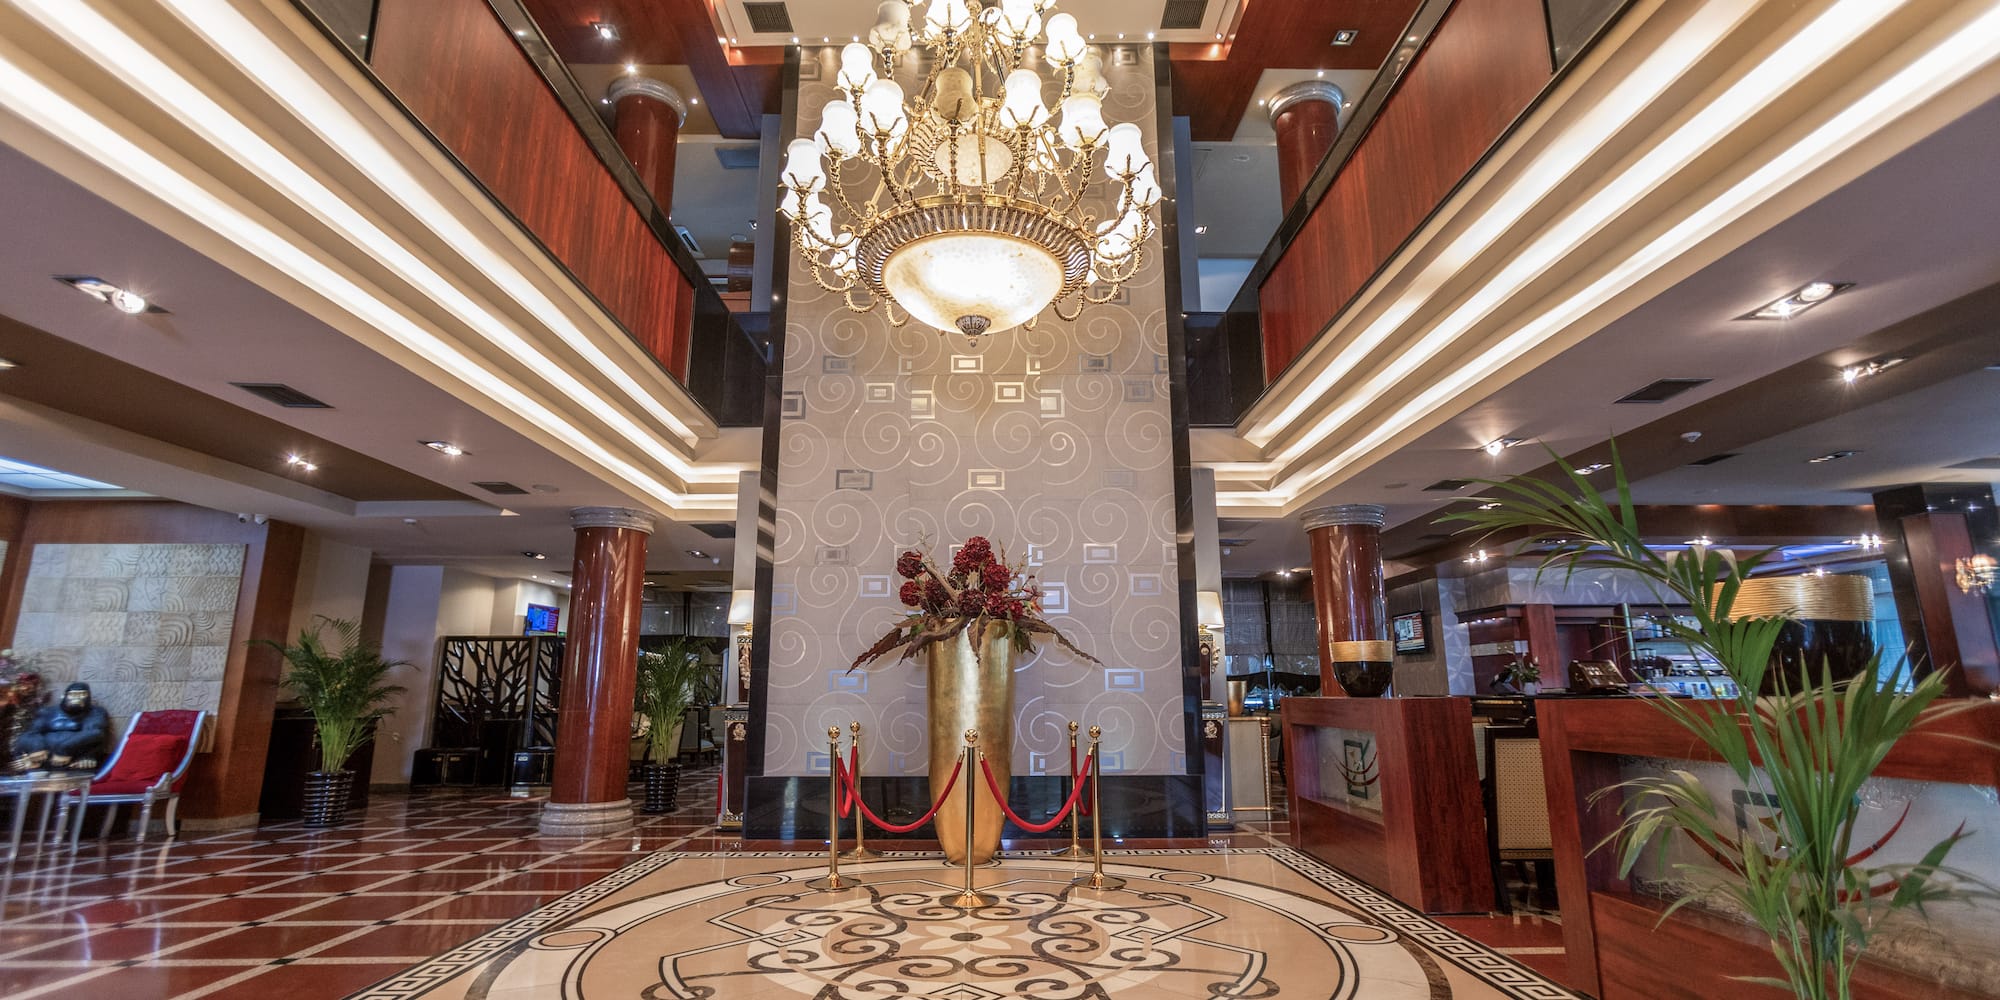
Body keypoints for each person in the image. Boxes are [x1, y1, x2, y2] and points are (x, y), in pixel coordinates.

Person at [12, 682, 111, 771]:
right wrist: (37, 747)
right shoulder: (48, 712)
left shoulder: (95, 712)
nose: (77, 698)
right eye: (73, 695)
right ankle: (34, 762)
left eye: (82, 695)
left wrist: (64, 749)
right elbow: (31, 733)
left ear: (88, 698)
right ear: (64, 696)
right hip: (44, 756)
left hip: (73, 755)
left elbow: (94, 733)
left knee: (94, 745)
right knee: (25, 741)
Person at [0, 671, 47, 770]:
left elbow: (35, 732)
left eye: (30, 686)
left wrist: (34, 752)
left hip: (20, 759)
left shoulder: (33, 711)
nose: (25, 688)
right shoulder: (7, 710)